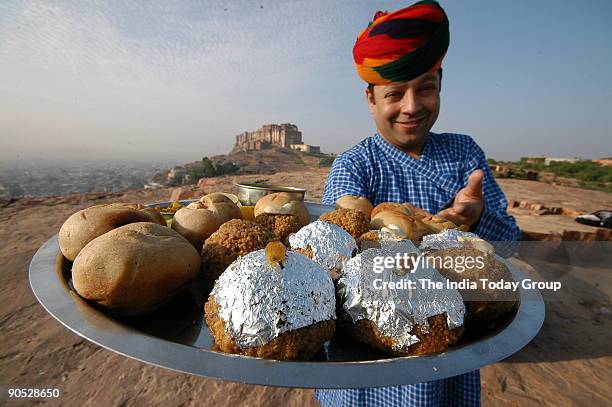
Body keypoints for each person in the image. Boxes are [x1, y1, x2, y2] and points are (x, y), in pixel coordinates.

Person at [316, 1, 520, 406]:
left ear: (440, 84)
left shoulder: (465, 154)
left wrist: (476, 218)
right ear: (370, 98)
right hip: (364, 373)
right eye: (395, 93)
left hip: (445, 366)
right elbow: (330, 258)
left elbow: (511, 244)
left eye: (425, 88)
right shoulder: (354, 165)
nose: (412, 106)